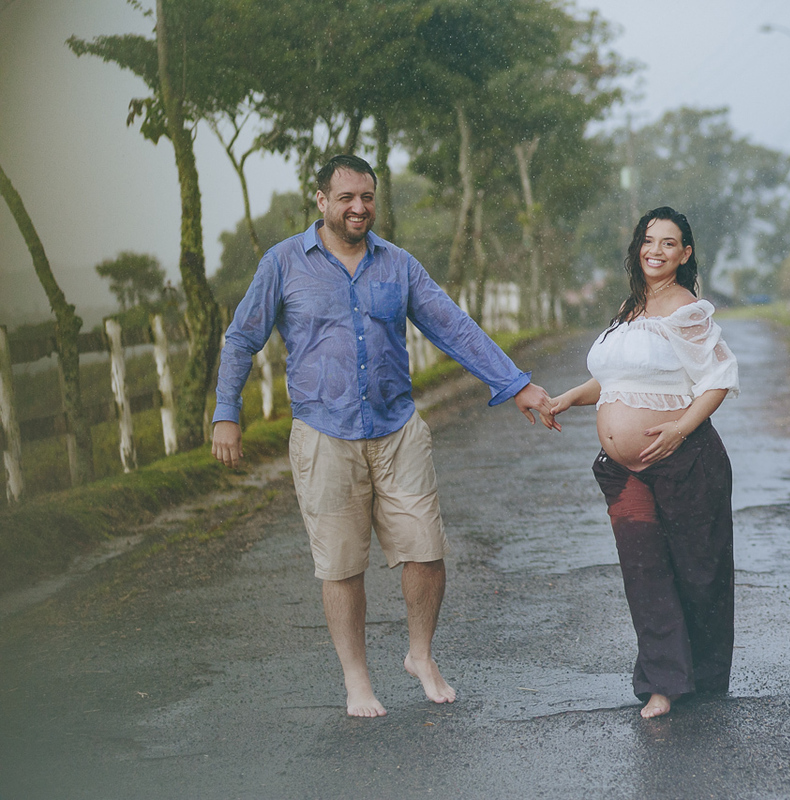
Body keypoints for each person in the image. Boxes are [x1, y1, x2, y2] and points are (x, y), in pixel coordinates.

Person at [211, 154, 556, 718]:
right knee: (341, 565)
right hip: (325, 435)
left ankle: (420, 655)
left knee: (427, 550)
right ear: (320, 200)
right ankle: (356, 679)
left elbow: (452, 327)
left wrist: (516, 384)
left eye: (367, 197)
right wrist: (228, 412)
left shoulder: (397, 264)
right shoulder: (283, 264)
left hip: (397, 429)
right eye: (345, 197)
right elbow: (240, 339)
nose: (358, 207)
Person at [548, 207, 738, 718]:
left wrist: (679, 428)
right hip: (625, 469)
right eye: (649, 241)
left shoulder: (685, 309)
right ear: (638, 247)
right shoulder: (630, 307)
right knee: (644, 572)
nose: (656, 250)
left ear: (685, 253)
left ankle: (699, 676)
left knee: (696, 573)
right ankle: (662, 684)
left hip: (684, 460)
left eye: (669, 243)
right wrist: (568, 397)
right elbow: (617, 379)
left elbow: (718, 377)